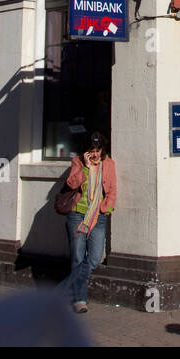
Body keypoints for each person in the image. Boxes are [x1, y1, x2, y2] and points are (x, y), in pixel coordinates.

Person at [62, 129, 116, 313]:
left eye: (98, 149)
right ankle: (79, 300)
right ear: (86, 150)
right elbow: (72, 184)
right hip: (78, 214)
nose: (95, 154)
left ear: (102, 149)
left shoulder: (108, 164)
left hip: (98, 216)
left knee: (94, 257)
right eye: (92, 150)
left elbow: (112, 191)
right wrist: (85, 166)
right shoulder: (78, 162)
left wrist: (107, 208)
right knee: (78, 258)